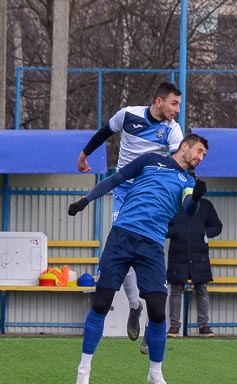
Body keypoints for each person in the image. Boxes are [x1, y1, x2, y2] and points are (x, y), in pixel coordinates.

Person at [69, 133, 209, 384]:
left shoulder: (188, 181)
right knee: (100, 303)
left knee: (158, 311)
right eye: (199, 151)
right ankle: (84, 368)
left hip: (152, 246)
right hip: (122, 237)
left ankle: (155, 373)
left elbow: (188, 209)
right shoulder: (149, 160)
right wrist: (86, 201)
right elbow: (114, 180)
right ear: (185, 146)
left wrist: (196, 200)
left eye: (203, 155)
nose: (200, 157)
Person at [77, 82, 184, 351]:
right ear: (158, 101)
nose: (177, 110)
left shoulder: (173, 131)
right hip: (124, 190)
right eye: (174, 104)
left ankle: (153, 320)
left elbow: (174, 166)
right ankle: (135, 305)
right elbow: (105, 132)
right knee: (118, 247)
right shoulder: (128, 115)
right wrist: (84, 154)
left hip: (148, 197)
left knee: (152, 255)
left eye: (179, 104)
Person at [166, 197, 223, 337]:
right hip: (178, 254)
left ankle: (203, 326)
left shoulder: (205, 205)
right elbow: (163, 226)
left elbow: (217, 226)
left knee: (202, 288)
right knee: (176, 289)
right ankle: (174, 326)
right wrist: (174, 231)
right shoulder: (173, 204)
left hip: (199, 255)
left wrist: (204, 234)